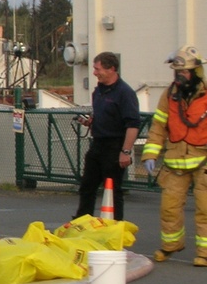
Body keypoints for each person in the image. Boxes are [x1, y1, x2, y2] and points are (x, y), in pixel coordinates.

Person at [140, 46, 207, 266]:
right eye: (177, 72)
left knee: (205, 208)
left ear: (195, 72)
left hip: (203, 159)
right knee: (169, 206)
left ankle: (204, 253)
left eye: (184, 72)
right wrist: (150, 154)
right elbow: (159, 126)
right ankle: (171, 245)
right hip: (176, 159)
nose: (180, 76)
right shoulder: (169, 95)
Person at [73, 51, 141, 221]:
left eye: (97, 69)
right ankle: (82, 221)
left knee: (113, 189)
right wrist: (91, 122)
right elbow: (103, 115)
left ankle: (115, 225)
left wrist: (125, 151)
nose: (95, 72)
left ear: (111, 69)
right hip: (98, 143)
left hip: (115, 145)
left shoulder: (125, 93)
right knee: (87, 186)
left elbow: (133, 124)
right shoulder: (99, 92)